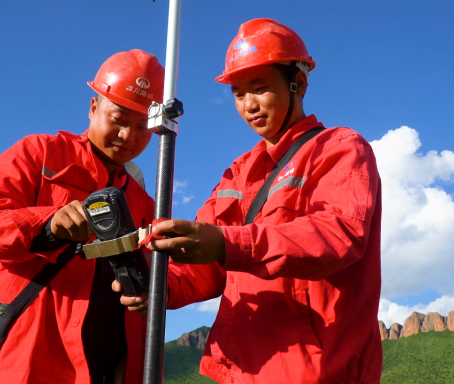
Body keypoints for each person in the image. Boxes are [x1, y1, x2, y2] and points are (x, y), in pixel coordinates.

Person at [118, 19, 383, 383]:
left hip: (316, 370)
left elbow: (339, 235)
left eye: (259, 89)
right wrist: (160, 287)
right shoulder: (237, 172)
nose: (249, 105)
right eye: (239, 94)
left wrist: (226, 242)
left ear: (299, 83)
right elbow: (206, 267)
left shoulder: (339, 148)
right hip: (238, 371)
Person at [0, 49, 163, 384]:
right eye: (118, 119)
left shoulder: (145, 202)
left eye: (142, 126)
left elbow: (160, 277)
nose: (128, 136)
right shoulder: (39, 152)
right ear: (93, 107)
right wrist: (49, 223)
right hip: (26, 359)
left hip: (112, 364)